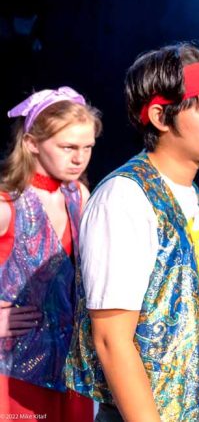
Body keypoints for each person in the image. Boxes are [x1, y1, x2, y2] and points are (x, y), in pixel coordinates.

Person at [64, 43, 199, 422]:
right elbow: (112, 339)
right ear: (161, 116)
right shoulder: (124, 198)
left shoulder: (191, 194)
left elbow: (195, 303)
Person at [0, 86, 101, 421]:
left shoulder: (79, 195)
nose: (79, 158)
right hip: (13, 372)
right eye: (67, 147)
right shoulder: (6, 203)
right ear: (31, 143)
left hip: (69, 370)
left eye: (87, 147)